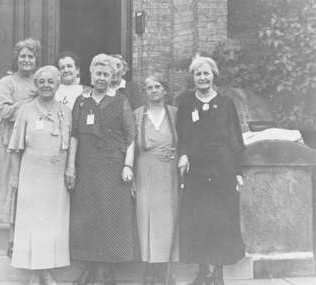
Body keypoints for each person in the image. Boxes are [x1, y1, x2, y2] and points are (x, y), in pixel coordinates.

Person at [65, 54, 137, 285]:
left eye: (106, 74)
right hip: (86, 168)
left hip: (113, 169)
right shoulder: (82, 102)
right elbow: (74, 135)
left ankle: (106, 273)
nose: (102, 78)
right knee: (88, 218)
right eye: (98, 74)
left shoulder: (120, 102)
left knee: (110, 219)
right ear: (91, 75)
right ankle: (90, 269)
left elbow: (131, 137)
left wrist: (128, 165)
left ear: (112, 76)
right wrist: (70, 167)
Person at [176, 55, 245, 285]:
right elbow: (181, 135)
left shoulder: (226, 103)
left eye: (206, 73)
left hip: (222, 171)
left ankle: (218, 274)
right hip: (196, 172)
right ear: (192, 78)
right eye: (198, 74)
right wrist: (183, 154)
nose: (202, 78)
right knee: (198, 220)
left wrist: (238, 171)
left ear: (213, 76)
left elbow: (235, 137)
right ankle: (203, 271)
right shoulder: (185, 102)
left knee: (221, 220)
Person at [8, 65, 71, 285]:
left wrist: (69, 169)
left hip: (56, 176)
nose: (46, 85)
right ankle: (35, 274)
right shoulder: (26, 110)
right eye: (41, 81)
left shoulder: (65, 111)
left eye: (50, 81)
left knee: (51, 223)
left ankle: (45, 271)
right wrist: (15, 178)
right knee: (32, 223)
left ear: (58, 84)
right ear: (36, 85)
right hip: (32, 175)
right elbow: (15, 148)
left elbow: (70, 144)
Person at [0, 38, 40, 233]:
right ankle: (13, 235)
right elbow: (5, 112)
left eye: (31, 56)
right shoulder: (7, 82)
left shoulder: (39, 81)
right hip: (11, 141)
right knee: (11, 184)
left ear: (36, 59)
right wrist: (31, 101)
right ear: (16, 58)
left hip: (34, 140)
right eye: (23, 56)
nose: (26, 60)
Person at [134, 74, 179, 284]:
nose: (153, 90)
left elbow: (184, 141)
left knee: (166, 221)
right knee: (145, 219)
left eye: (157, 86)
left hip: (168, 174)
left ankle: (164, 273)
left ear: (165, 90)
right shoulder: (137, 115)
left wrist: (177, 154)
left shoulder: (175, 114)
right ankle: (148, 272)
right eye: (148, 87)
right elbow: (130, 146)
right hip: (144, 172)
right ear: (145, 92)